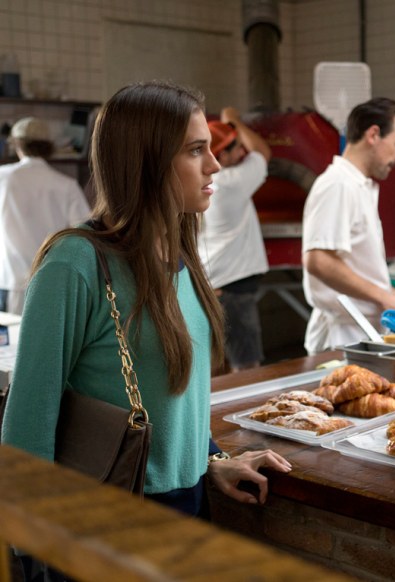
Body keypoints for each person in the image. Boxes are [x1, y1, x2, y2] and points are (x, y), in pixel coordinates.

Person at [1, 81, 291, 529]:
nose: (214, 166)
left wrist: (210, 459)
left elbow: (173, 402)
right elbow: (27, 424)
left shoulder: (182, 257)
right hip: (110, 522)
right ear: (147, 163)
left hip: (189, 508)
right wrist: (38, 552)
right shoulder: (75, 263)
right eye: (196, 151)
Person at [301, 97, 395, 354]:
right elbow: (317, 260)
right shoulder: (338, 185)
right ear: (373, 134)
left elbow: (357, 266)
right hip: (342, 338)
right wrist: (383, 297)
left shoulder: (358, 186)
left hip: (361, 332)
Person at [199, 106, 272, 371]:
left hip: (210, 283)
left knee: (214, 368)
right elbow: (263, 152)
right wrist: (235, 119)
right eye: (236, 149)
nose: (243, 153)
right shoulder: (230, 182)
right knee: (247, 368)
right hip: (233, 289)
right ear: (220, 156)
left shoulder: (201, 183)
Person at [0, 117, 90, 315]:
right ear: (48, 147)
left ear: (17, 144)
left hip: (9, 280)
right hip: (53, 280)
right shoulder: (66, 185)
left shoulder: (3, 177)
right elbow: (85, 234)